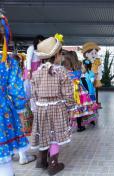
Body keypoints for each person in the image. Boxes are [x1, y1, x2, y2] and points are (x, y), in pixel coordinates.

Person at [30, 36, 76, 175]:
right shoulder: (61, 71)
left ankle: (41, 161)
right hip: (56, 108)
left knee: (43, 133)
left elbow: (34, 93)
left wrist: (38, 106)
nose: (61, 56)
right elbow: (68, 92)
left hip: (41, 108)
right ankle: (53, 164)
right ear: (56, 55)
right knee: (54, 135)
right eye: (61, 53)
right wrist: (71, 107)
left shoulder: (37, 72)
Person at [0, 12, 35, 176]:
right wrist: (20, 111)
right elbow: (15, 89)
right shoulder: (7, 62)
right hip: (3, 111)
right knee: (4, 160)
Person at [81, 42, 103, 108]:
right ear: (87, 54)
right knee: (91, 92)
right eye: (92, 53)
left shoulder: (96, 61)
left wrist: (98, 76)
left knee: (89, 93)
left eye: (95, 53)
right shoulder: (87, 64)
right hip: (91, 80)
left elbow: (99, 68)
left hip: (91, 80)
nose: (94, 55)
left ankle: (90, 104)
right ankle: (92, 104)